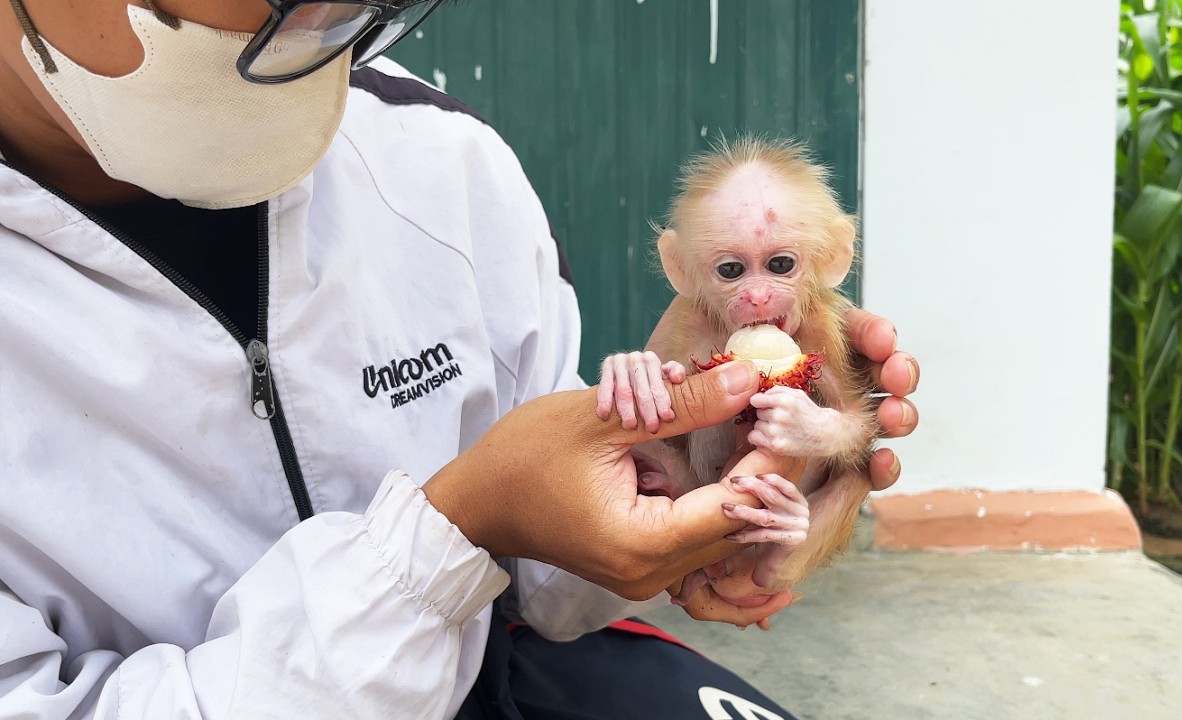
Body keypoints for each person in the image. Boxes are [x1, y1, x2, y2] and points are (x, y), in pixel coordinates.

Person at [0, 1, 921, 718]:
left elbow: (552, 594)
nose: (329, 24)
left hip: (500, 672)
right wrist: (459, 524)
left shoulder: (436, 159)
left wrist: (676, 498)